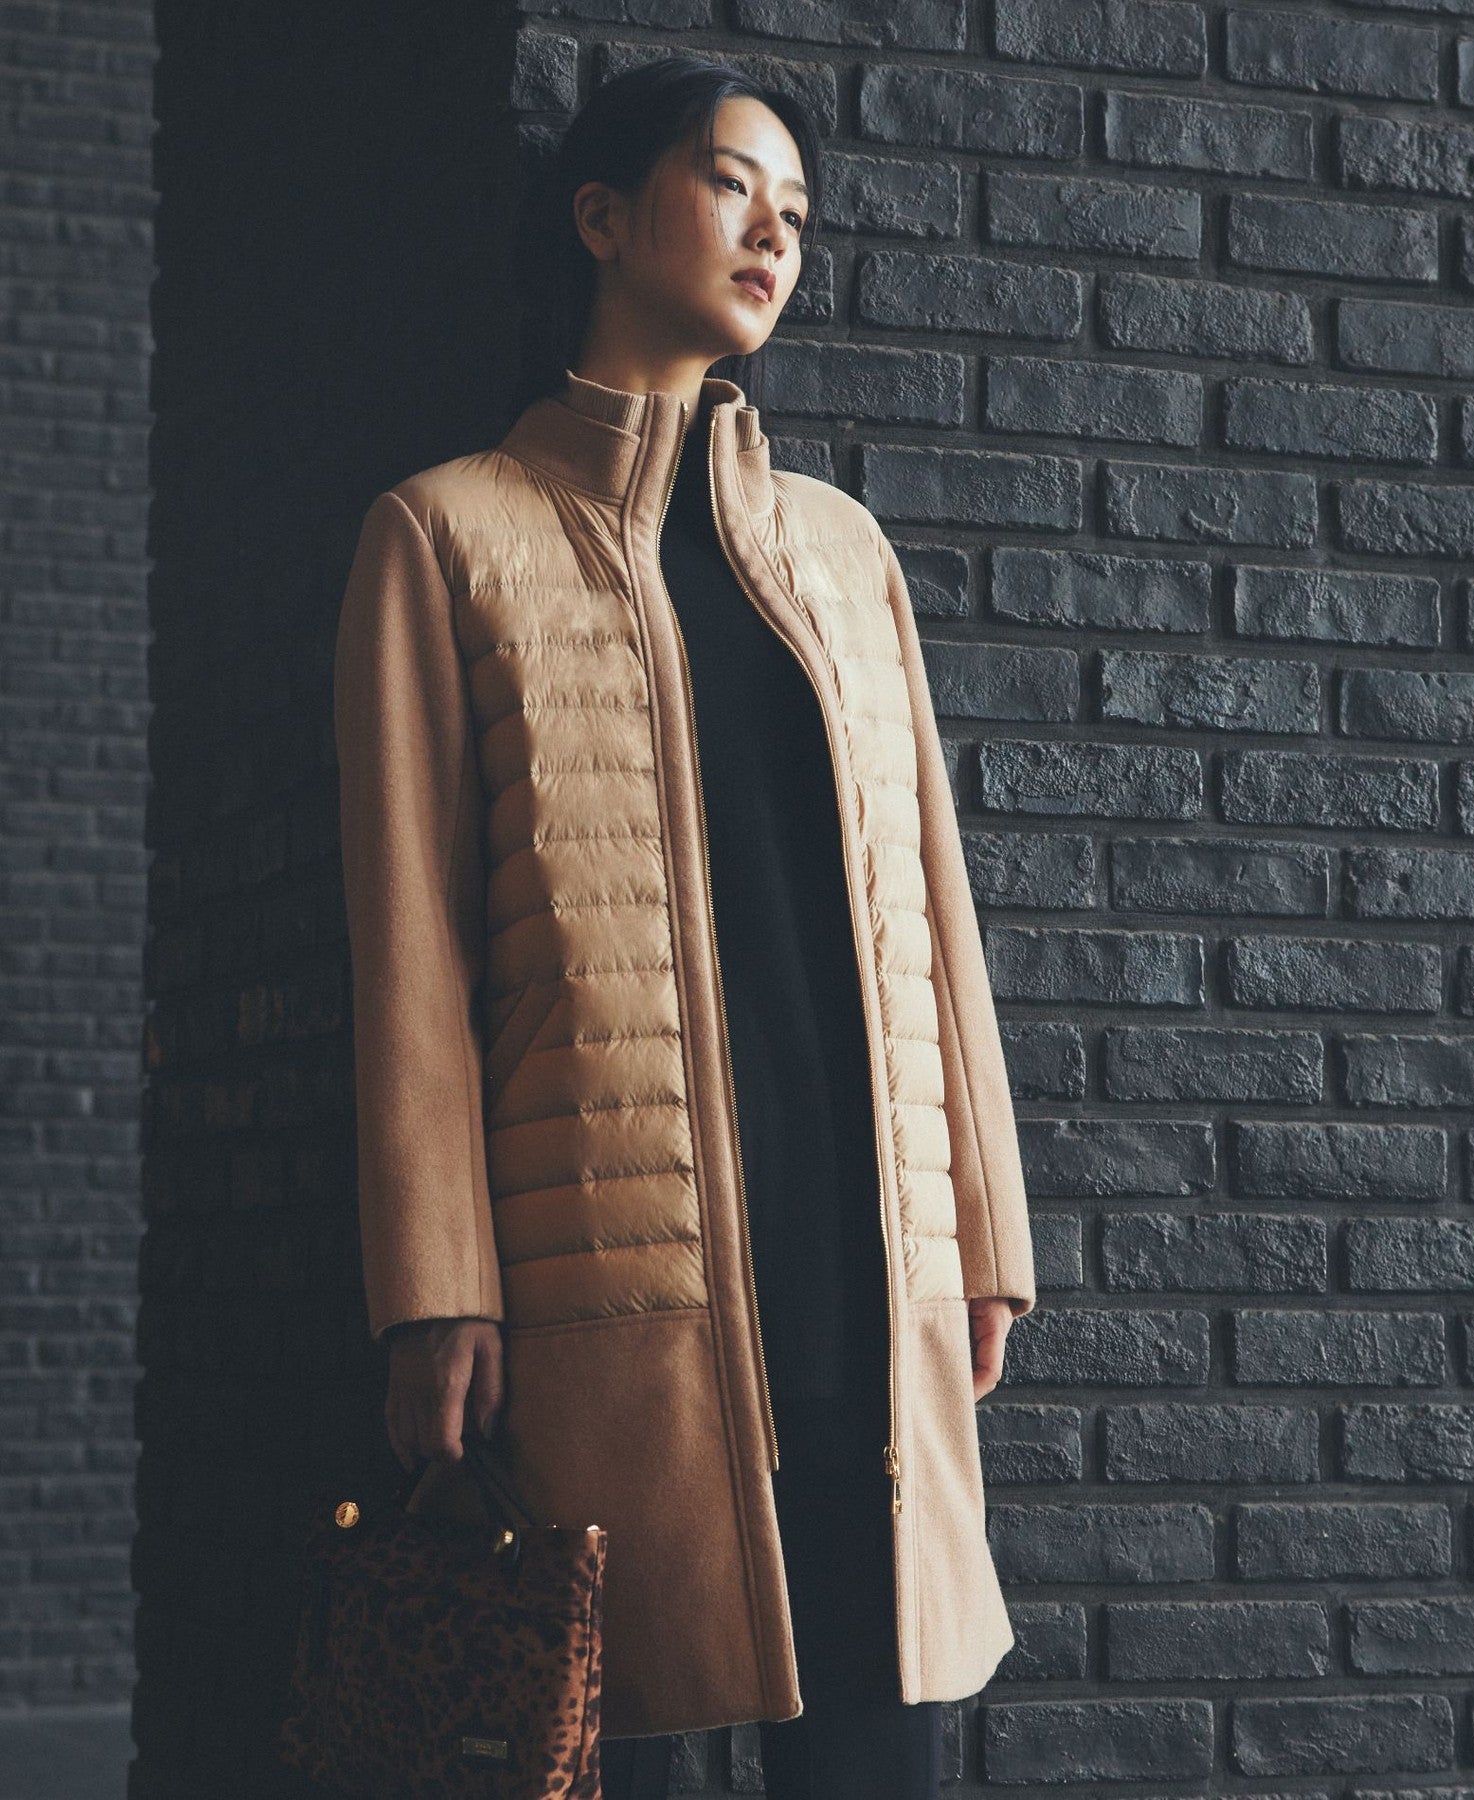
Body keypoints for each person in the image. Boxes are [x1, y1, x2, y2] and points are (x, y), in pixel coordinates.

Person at [332, 52, 1038, 1800]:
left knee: (878, 1728)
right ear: (600, 214)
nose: (773, 233)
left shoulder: (845, 556)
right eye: (732, 186)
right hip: (610, 1268)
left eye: (796, 210)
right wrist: (435, 1290)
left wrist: (982, 1234)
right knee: (613, 1728)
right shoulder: (446, 537)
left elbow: (936, 914)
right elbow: (414, 961)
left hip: (859, 1243)